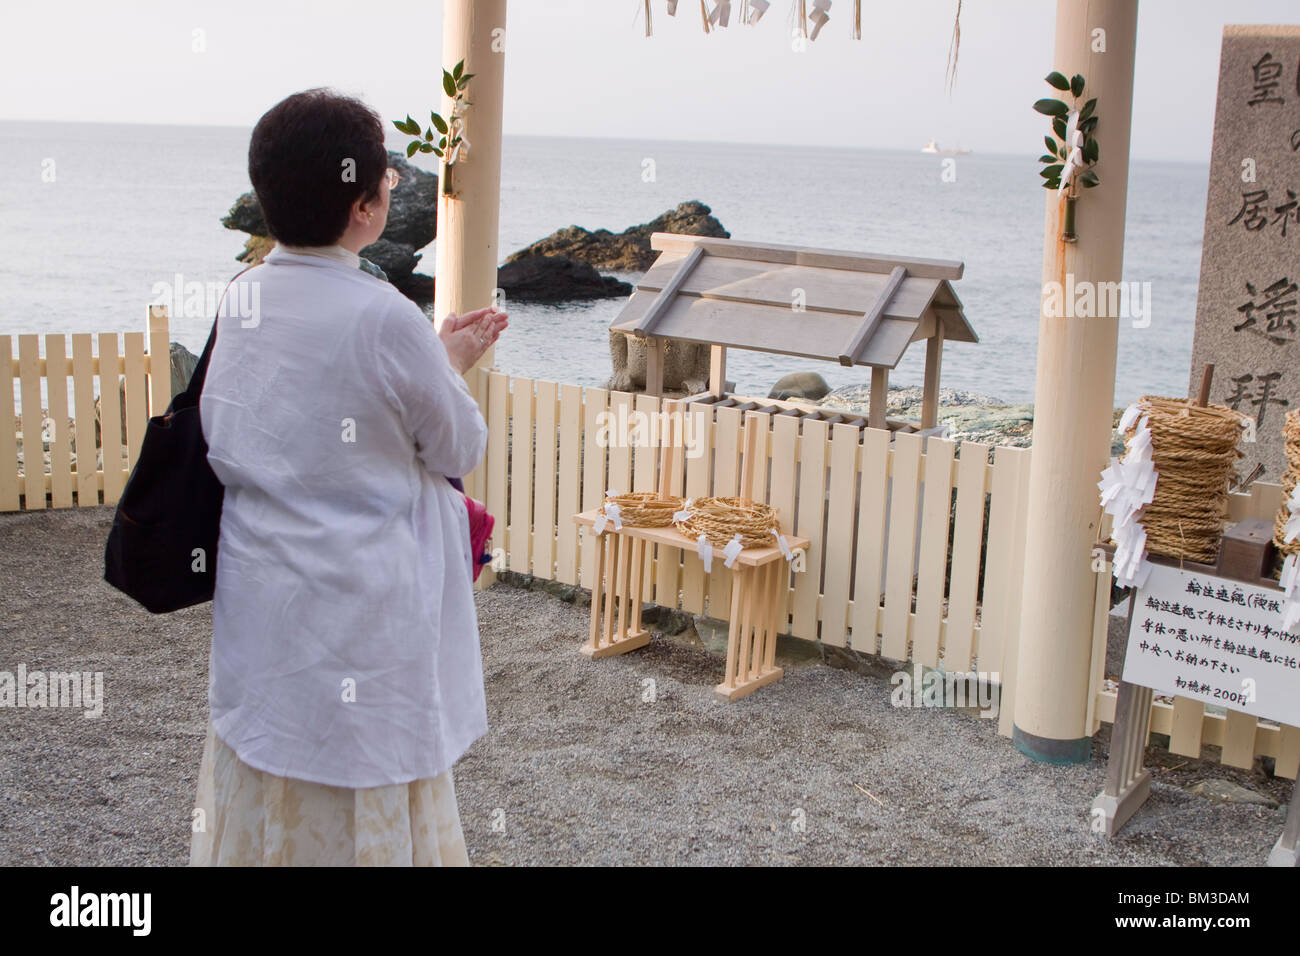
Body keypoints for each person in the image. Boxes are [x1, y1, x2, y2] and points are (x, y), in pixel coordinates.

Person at [190, 88, 507, 866]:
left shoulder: (244, 297)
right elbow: (457, 445)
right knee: (363, 791)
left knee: (274, 782)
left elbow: (265, 421)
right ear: (365, 206)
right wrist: (446, 361)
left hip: (268, 595)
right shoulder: (384, 315)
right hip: (364, 612)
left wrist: (428, 359)